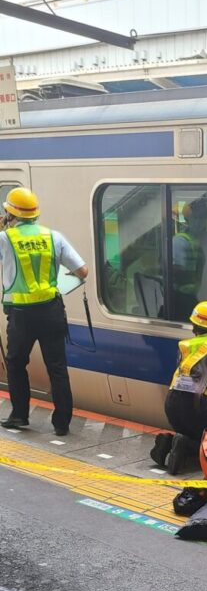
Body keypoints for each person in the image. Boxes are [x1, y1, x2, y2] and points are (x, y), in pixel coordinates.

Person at [0, 187, 88, 436]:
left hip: (21, 315)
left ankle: (19, 415)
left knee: (16, 364)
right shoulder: (53, 237)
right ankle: (62, 423)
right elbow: (82, 271)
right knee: (57, 367)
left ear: (10, 214)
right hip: (51, 311)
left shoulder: (6, 239)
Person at [151, 300, 207, 475]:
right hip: (200, 404)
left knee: (197, 434)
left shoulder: (184, 345)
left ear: (194, 325)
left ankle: (170, 442)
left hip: (172, 402)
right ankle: (182, 444)